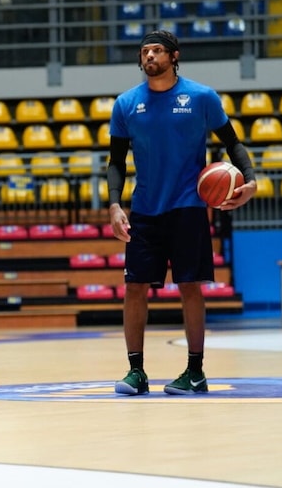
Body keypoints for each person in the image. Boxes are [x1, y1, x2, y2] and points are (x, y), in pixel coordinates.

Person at [107, 30, 257, 396]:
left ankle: (195, 372)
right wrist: (114, 203)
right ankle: (136, 372)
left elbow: (232, 142)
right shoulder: (126, 104)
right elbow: (116, 161)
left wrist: (250, 180)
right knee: (134, 288)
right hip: (144, 209)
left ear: (174, 56)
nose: (149, 56)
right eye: (145, 51)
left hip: (188, 207)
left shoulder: (202, 97)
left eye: (157, 50)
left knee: (190, 287)